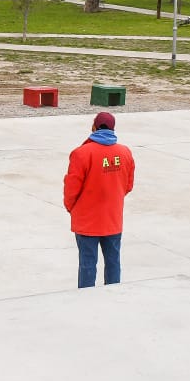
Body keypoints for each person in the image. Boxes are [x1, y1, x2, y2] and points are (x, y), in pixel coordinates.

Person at [63, 111, 136, 288]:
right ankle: (113, 297)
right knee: (113, 262)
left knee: (88, 265)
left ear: (94, 127)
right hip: (112, 219)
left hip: (87, 221)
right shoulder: (125, 153)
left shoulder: (81, 153)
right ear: (113, 129)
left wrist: (72, 208)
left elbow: (71, 188)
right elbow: (128, 185)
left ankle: (86, 302)